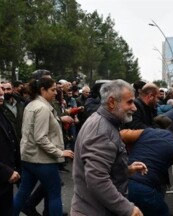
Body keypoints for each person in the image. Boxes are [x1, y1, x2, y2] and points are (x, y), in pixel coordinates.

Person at [71, 79, 146, 216]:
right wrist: (128, 209)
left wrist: (126, 170)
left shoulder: (104, 122)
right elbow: (97, 179)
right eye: (129, 102)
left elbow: (102, 169)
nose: (134, 108)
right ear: (112, 102)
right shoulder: (102, 131)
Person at [13, 77, 74, 216]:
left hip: (29, 158)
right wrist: (60, 152)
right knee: (54, 194)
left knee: (23, 193)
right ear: (42, 90)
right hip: (42, 160)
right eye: (52, 90)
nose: (55, 93)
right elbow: (40, 138)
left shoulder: (32, 105)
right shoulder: (42, 108)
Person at [0, 83, 21, 216]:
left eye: (2, 92)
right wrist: (6, 172)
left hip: (6, 179)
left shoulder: (3, 112)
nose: (2, 94)